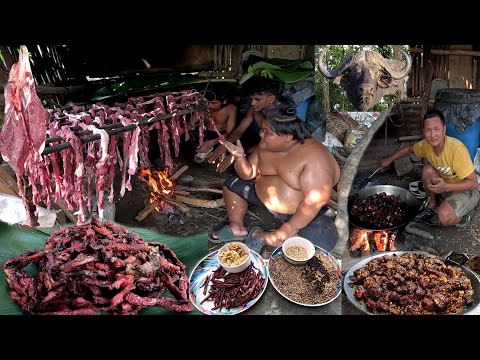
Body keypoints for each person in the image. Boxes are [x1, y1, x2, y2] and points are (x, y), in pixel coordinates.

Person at [209, 107, 340, 252]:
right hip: (262, 197)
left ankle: (263, 236)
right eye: (262, 129)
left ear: (287, 136)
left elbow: (315, 201)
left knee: (323, 243)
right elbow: (248, 174)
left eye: (267, 133)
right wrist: (240, 158)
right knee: (231, 184)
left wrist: (289, 227)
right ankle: (236, 226)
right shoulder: (266, 144)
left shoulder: (315, 158)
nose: (261, 134)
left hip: (299, 214)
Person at [380, 108, 479, 228]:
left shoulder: (457, 150)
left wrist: (446, 187)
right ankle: (432, 205)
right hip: (446, 185)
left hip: (466, 190)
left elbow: (473, 183)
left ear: (444, 129)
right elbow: (409, 149)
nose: (433, 135)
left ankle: (464, 215)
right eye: (428, 130)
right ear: (424, 132)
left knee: (443, 217)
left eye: (437, 129)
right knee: (427, 169)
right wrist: (389, 160)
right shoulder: (426, 146)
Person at [207, 75, 285, 172]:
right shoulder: (254, 110)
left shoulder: (280, 116)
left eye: (257, 99)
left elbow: (273, 144)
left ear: (271, 99)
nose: (252, 103)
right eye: (251, 99)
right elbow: (239, 130)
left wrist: (236, 155)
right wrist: (225, 145)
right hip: (261, 144)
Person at [193, 89, 238, 162]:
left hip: (220, 137)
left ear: (224, 101)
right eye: (208, 102)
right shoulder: (204, 105)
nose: (209, 105)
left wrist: (212, 142)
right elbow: (191, 124)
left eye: (214, 103)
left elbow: (230, 133)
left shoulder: (231, 109)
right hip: (204, 134)